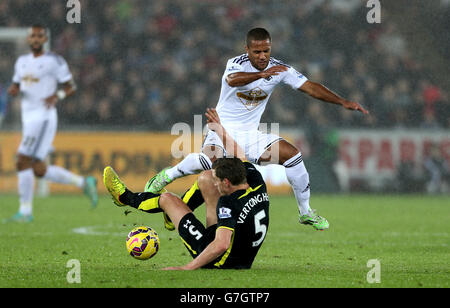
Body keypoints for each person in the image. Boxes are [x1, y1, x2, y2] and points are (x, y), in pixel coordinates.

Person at [145, 28, 368, 230]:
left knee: (293, 156)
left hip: (251, 135)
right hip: (220, 128)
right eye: (257, 51)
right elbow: (232, 80)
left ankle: (306, 212)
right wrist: (260, 75)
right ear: (248, 50)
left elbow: (310, 87)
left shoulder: (280, 69)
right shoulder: (236, 63)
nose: (262, 56)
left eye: (266, 51)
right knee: (210, 164)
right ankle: (167, 176)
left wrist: (342, 102)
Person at [103, 109, 270, 270]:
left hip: (219, 260)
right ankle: (172, 215)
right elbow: (239, 155)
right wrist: (219, 129)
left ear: (226, 182)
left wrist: (187, 267)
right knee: (206, 177)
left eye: (219, 182)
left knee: (168, 199)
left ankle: (124, 197)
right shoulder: (256, 180)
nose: (216, 185)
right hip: (242, 255)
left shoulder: (229, 202)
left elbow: (221, 244)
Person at [4, 25, 98, 223]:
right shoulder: (21, 62)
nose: (36, 39)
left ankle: (25, 212)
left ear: (45, 39)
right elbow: (17, 84)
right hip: (28, 118)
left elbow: (71, 86)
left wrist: (58, 95)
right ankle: (84, 182)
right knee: (38, 168)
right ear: (28, 39)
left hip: (44, 117)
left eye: (40, 36)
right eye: (33, 36)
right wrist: (14, 89)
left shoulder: (54, 61)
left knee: (22, 160)